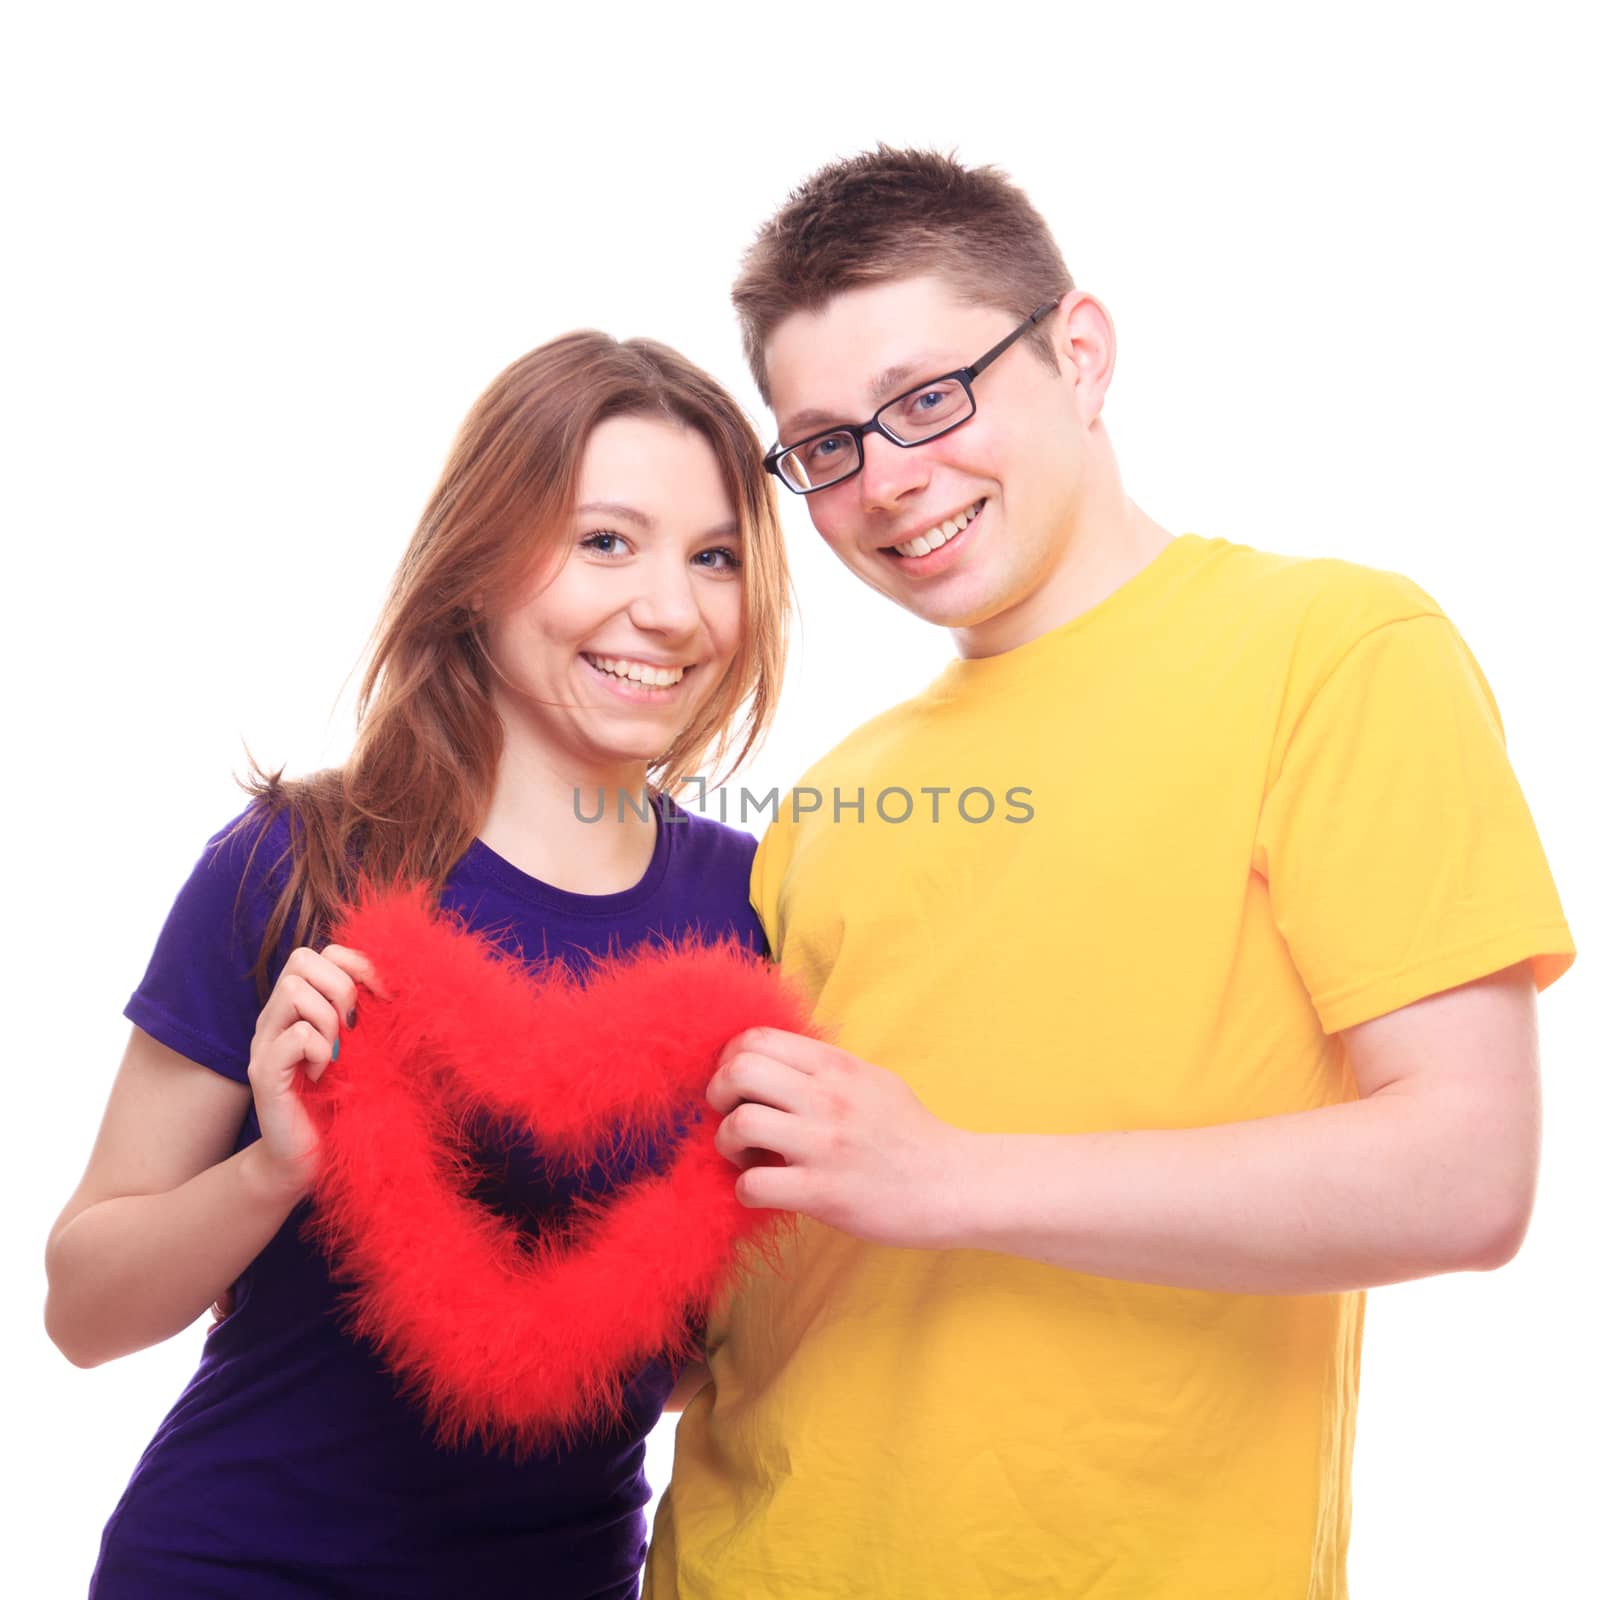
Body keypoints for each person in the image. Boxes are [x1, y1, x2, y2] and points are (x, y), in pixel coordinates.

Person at [645, 149, 1576, 1599]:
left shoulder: (1329, 651)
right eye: (824, 443)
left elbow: (1466, 1175)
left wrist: (951, 1178)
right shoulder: (828, 798)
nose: (888, 479)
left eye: (929, 398)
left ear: (1079, 354)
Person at [45, 330, 790, 1599]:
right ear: (481, 560)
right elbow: (84, 1314)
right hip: (232, 1566)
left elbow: (687, 1349)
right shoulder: (298, 861)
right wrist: (280, 1170)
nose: (671, 609)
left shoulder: (760, 905)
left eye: (715, 556)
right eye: (606, 540)